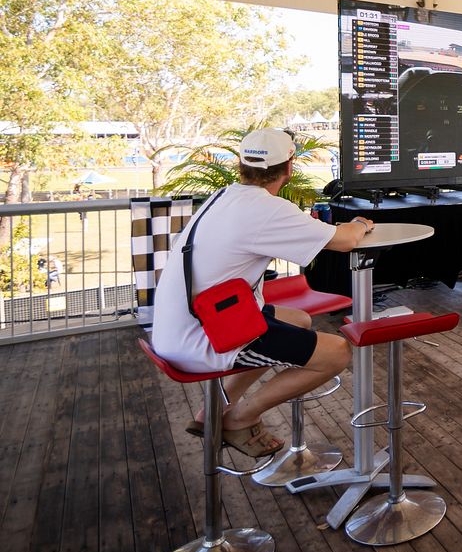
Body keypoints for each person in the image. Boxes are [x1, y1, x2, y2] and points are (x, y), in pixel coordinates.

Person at [152, 128, 375, 458]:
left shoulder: (223, 197)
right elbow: (344, 241)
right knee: (337, 352)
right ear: (289, 168)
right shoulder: (266, 209)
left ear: (241, 166)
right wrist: (359, 223)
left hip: (180, 326)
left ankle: (214, 409)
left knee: (298, 319)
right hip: (205, 338)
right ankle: (242, 418)